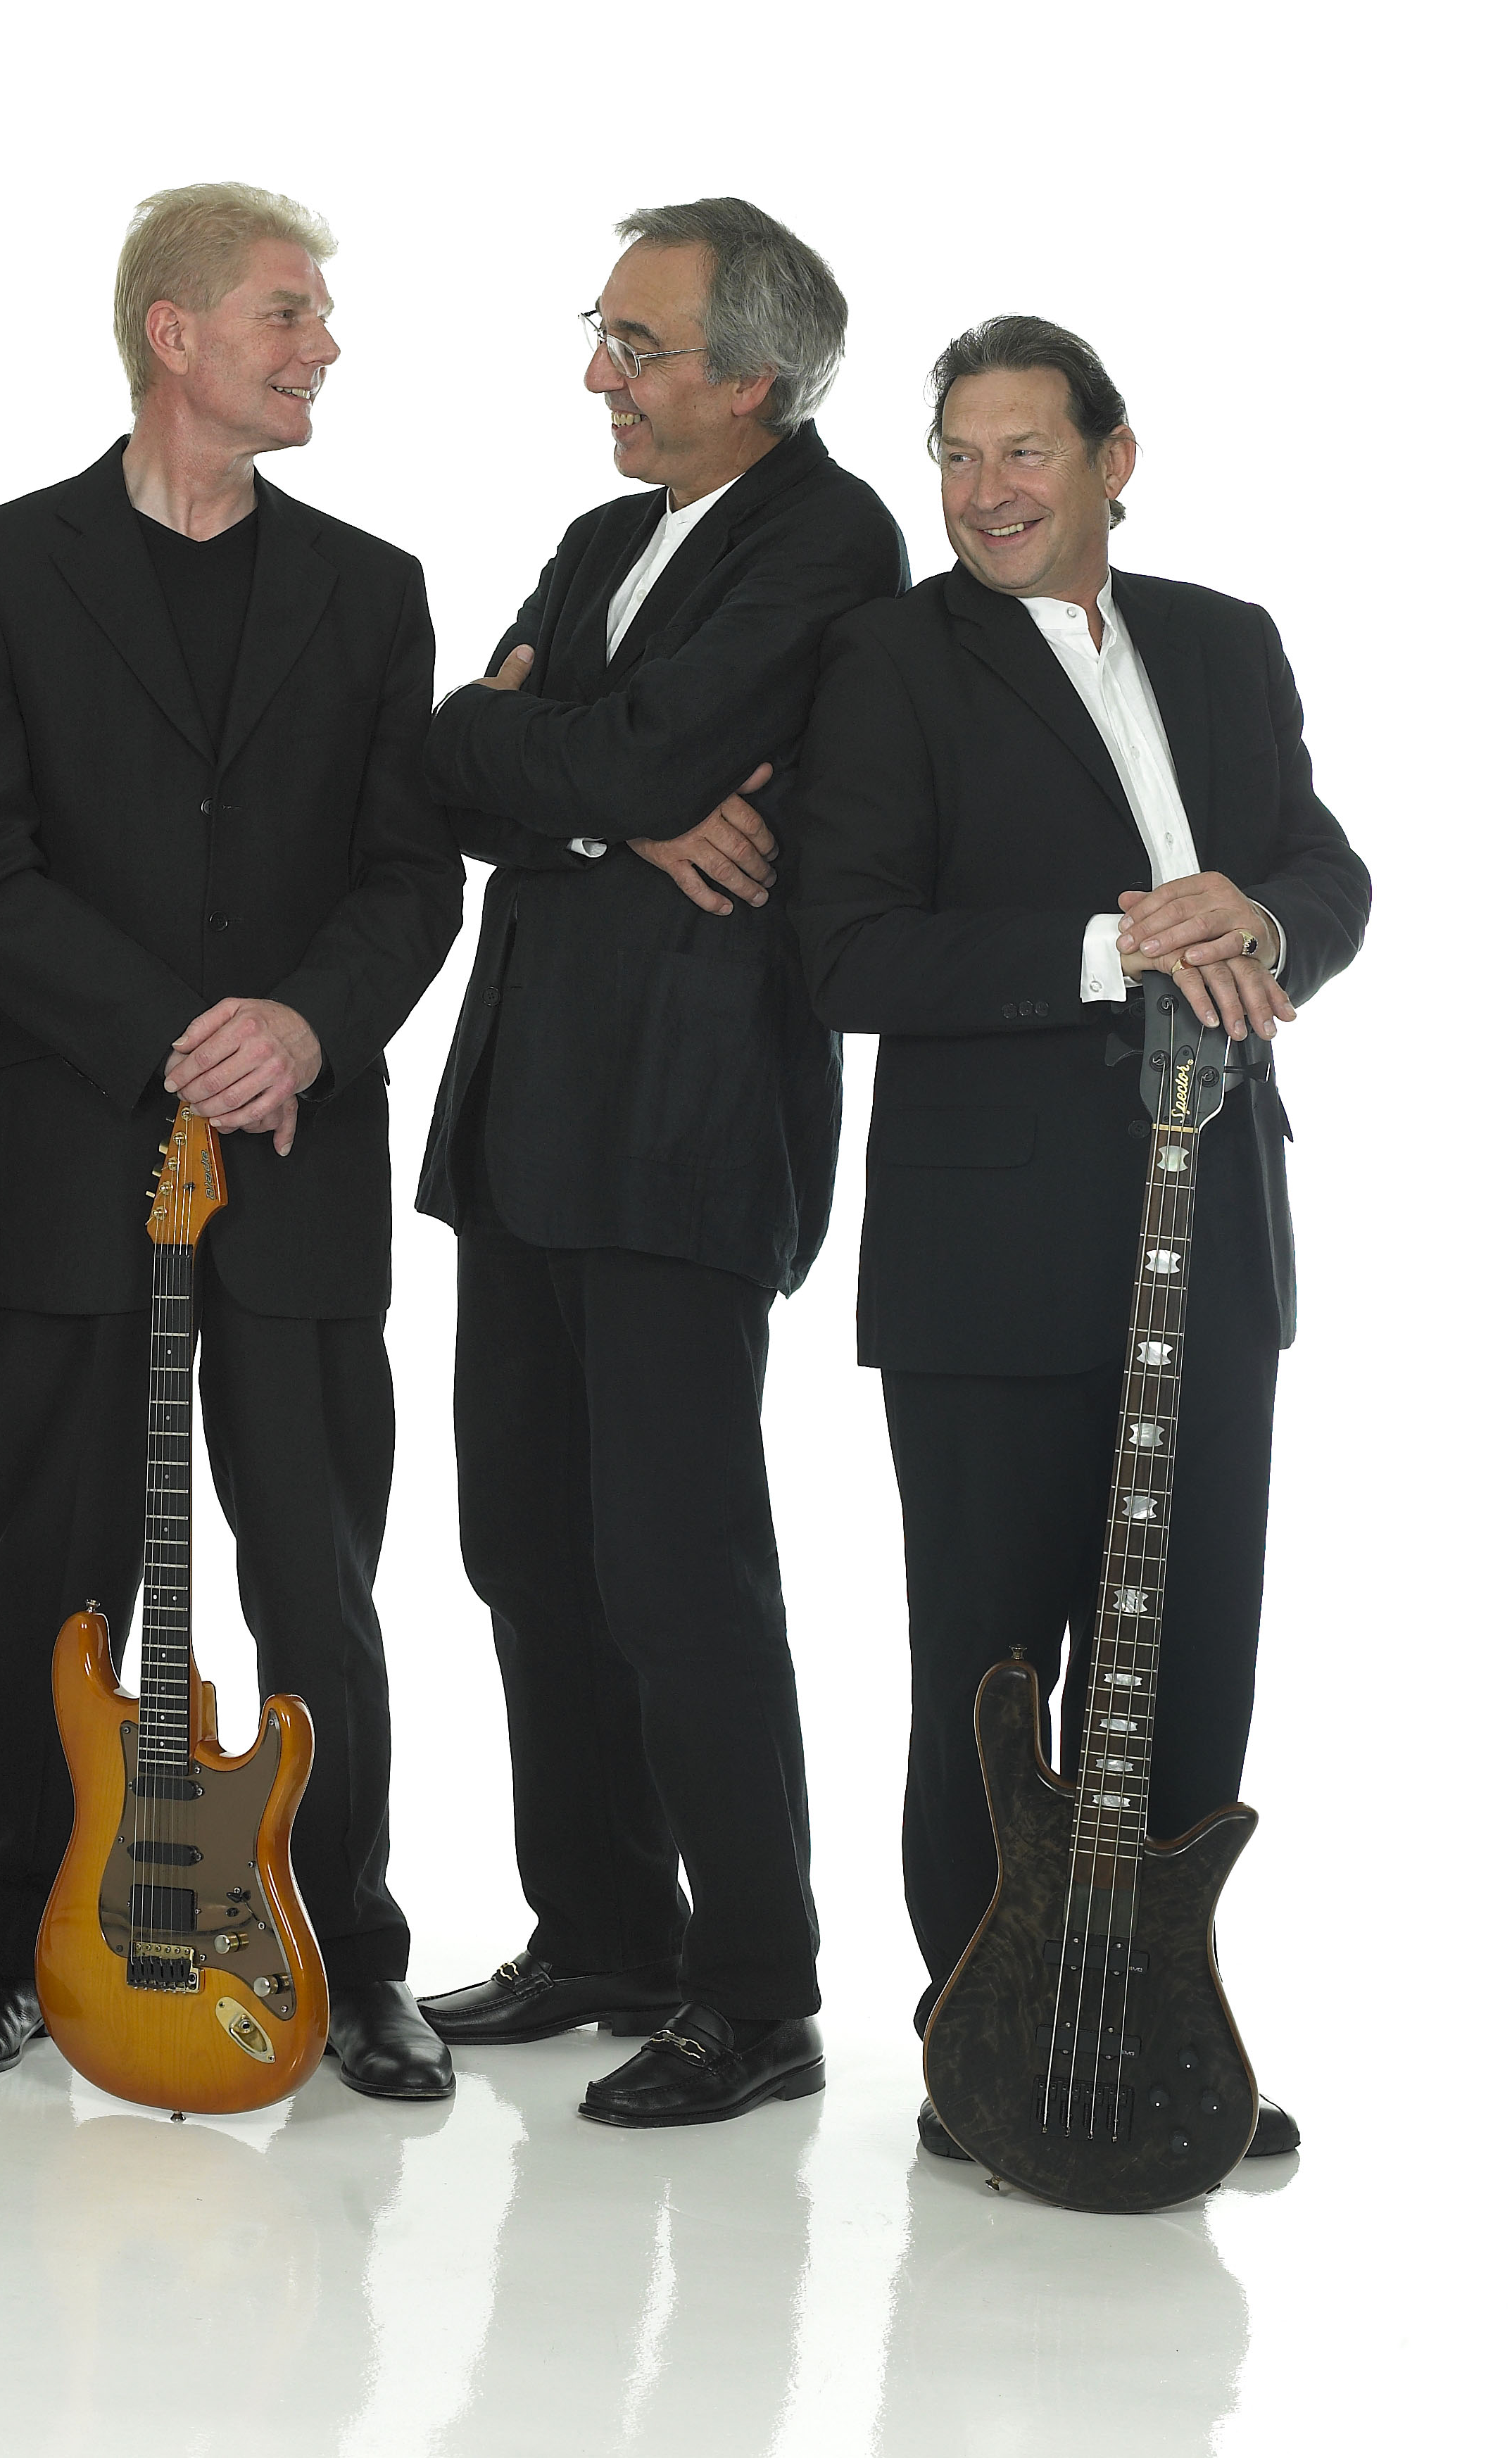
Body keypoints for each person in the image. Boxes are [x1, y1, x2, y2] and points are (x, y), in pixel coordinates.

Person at [788, 315, 1371, 2156]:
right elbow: (842, 950)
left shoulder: (1223, 640)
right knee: (992, 1663)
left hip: (1218, 1225)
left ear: (1115, 461)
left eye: (1023, 450)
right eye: (956, 455)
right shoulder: (892, 660)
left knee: (1191, 1656)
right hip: (988, 1254)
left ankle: (1155, 2023)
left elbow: (1328, 871)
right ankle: (987, 2040)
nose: (985, 491)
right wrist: (1115, 946)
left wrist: (1256, 918)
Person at [0, 182, 465, 2097]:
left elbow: (411, 875)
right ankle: (11, 1949)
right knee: (57, 1573)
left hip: (304, 1161)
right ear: (176, 335)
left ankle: (353, 1957)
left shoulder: (372, 588)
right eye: (287, 313)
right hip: (78, 1153)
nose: (322, 345)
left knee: (318, 1572)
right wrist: (179, 1037)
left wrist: (300, 1024)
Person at [415, 199, 905, 2127]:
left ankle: (755, 1991)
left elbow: (582, 755)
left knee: (678, 1565)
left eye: (638, 344)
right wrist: (612, 804)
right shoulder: (608, 538)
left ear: (756, 379)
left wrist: (581, 772)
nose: (596, 375)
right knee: (524, 1540)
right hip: (531, 1106)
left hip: (687, 1121)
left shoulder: (829, 541)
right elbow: (453, 758)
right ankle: (604, 1931)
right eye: (602, 332)